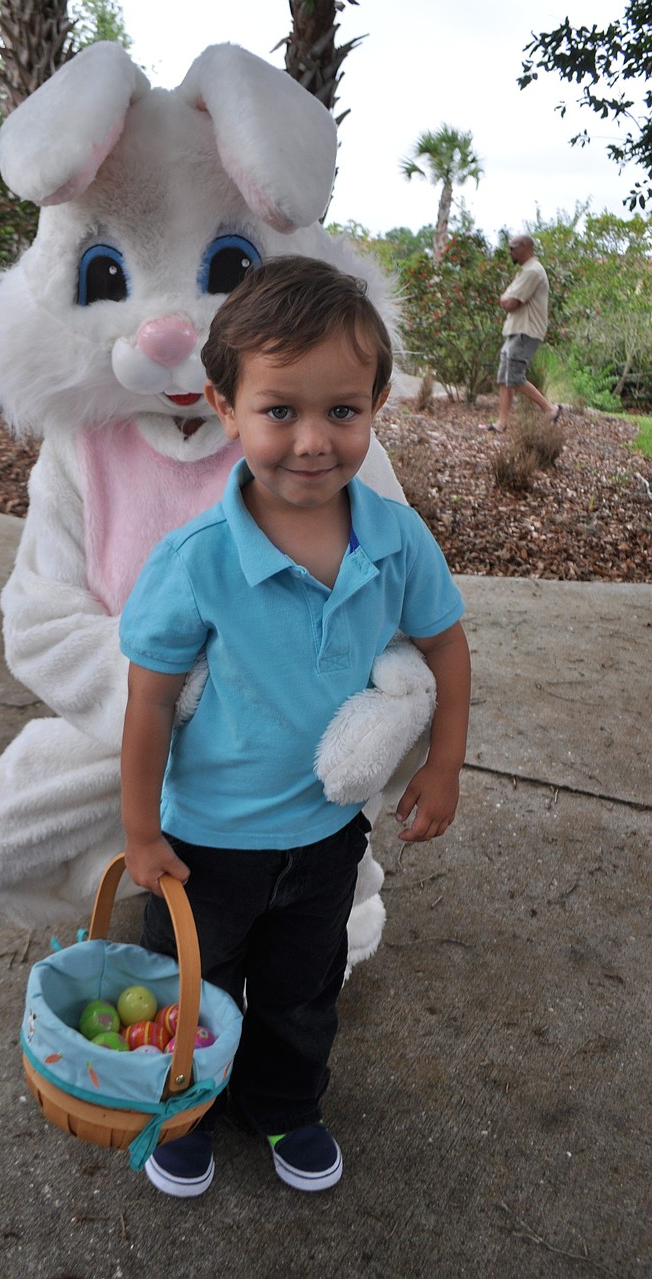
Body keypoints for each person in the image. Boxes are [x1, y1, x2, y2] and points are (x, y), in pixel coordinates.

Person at [118, 256, 471, 1197]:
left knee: (302, 992)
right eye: (280, 410)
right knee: (188, 995)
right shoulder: (195, 560)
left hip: (324, 835)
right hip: (203, 843)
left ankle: (285, 1105)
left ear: (377, 403)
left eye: (342, 411)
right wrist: (142, 831)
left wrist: (443, 765)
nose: (312, 441)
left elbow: (446, 647)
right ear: (225, 406)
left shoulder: (398, 540)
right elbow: (148, 697)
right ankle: (183, 1112)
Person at [486, 233, 562, 433]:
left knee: (514, 376)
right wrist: (505, 298)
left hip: (526, 331)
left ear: (525, 247)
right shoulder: (524, 270)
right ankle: (501, 423)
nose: (509, 251)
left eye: (513, 247)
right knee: (504, 376)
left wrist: (505, 299)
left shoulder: (533, 272)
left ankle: (549, 408)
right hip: (516, 330)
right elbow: (506, 299)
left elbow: (510, 303)